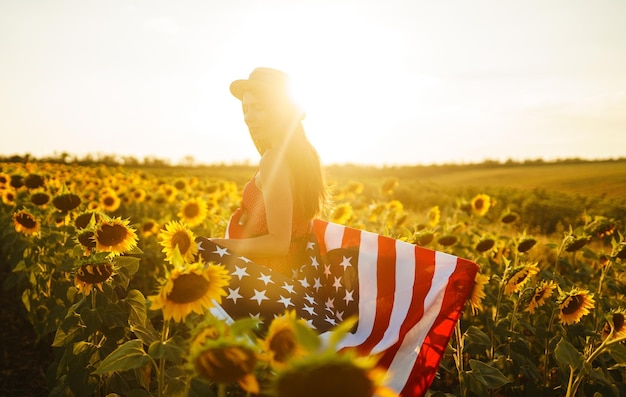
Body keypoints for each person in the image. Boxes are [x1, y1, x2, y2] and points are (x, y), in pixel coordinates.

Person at [207, 67, 327, 278]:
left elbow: (279, 243)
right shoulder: (300, 156)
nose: (248, 117)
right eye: (245, 109)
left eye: (259, 108)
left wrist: (214, 244)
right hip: (289, 274)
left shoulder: (274, 160)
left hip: (267, 279)